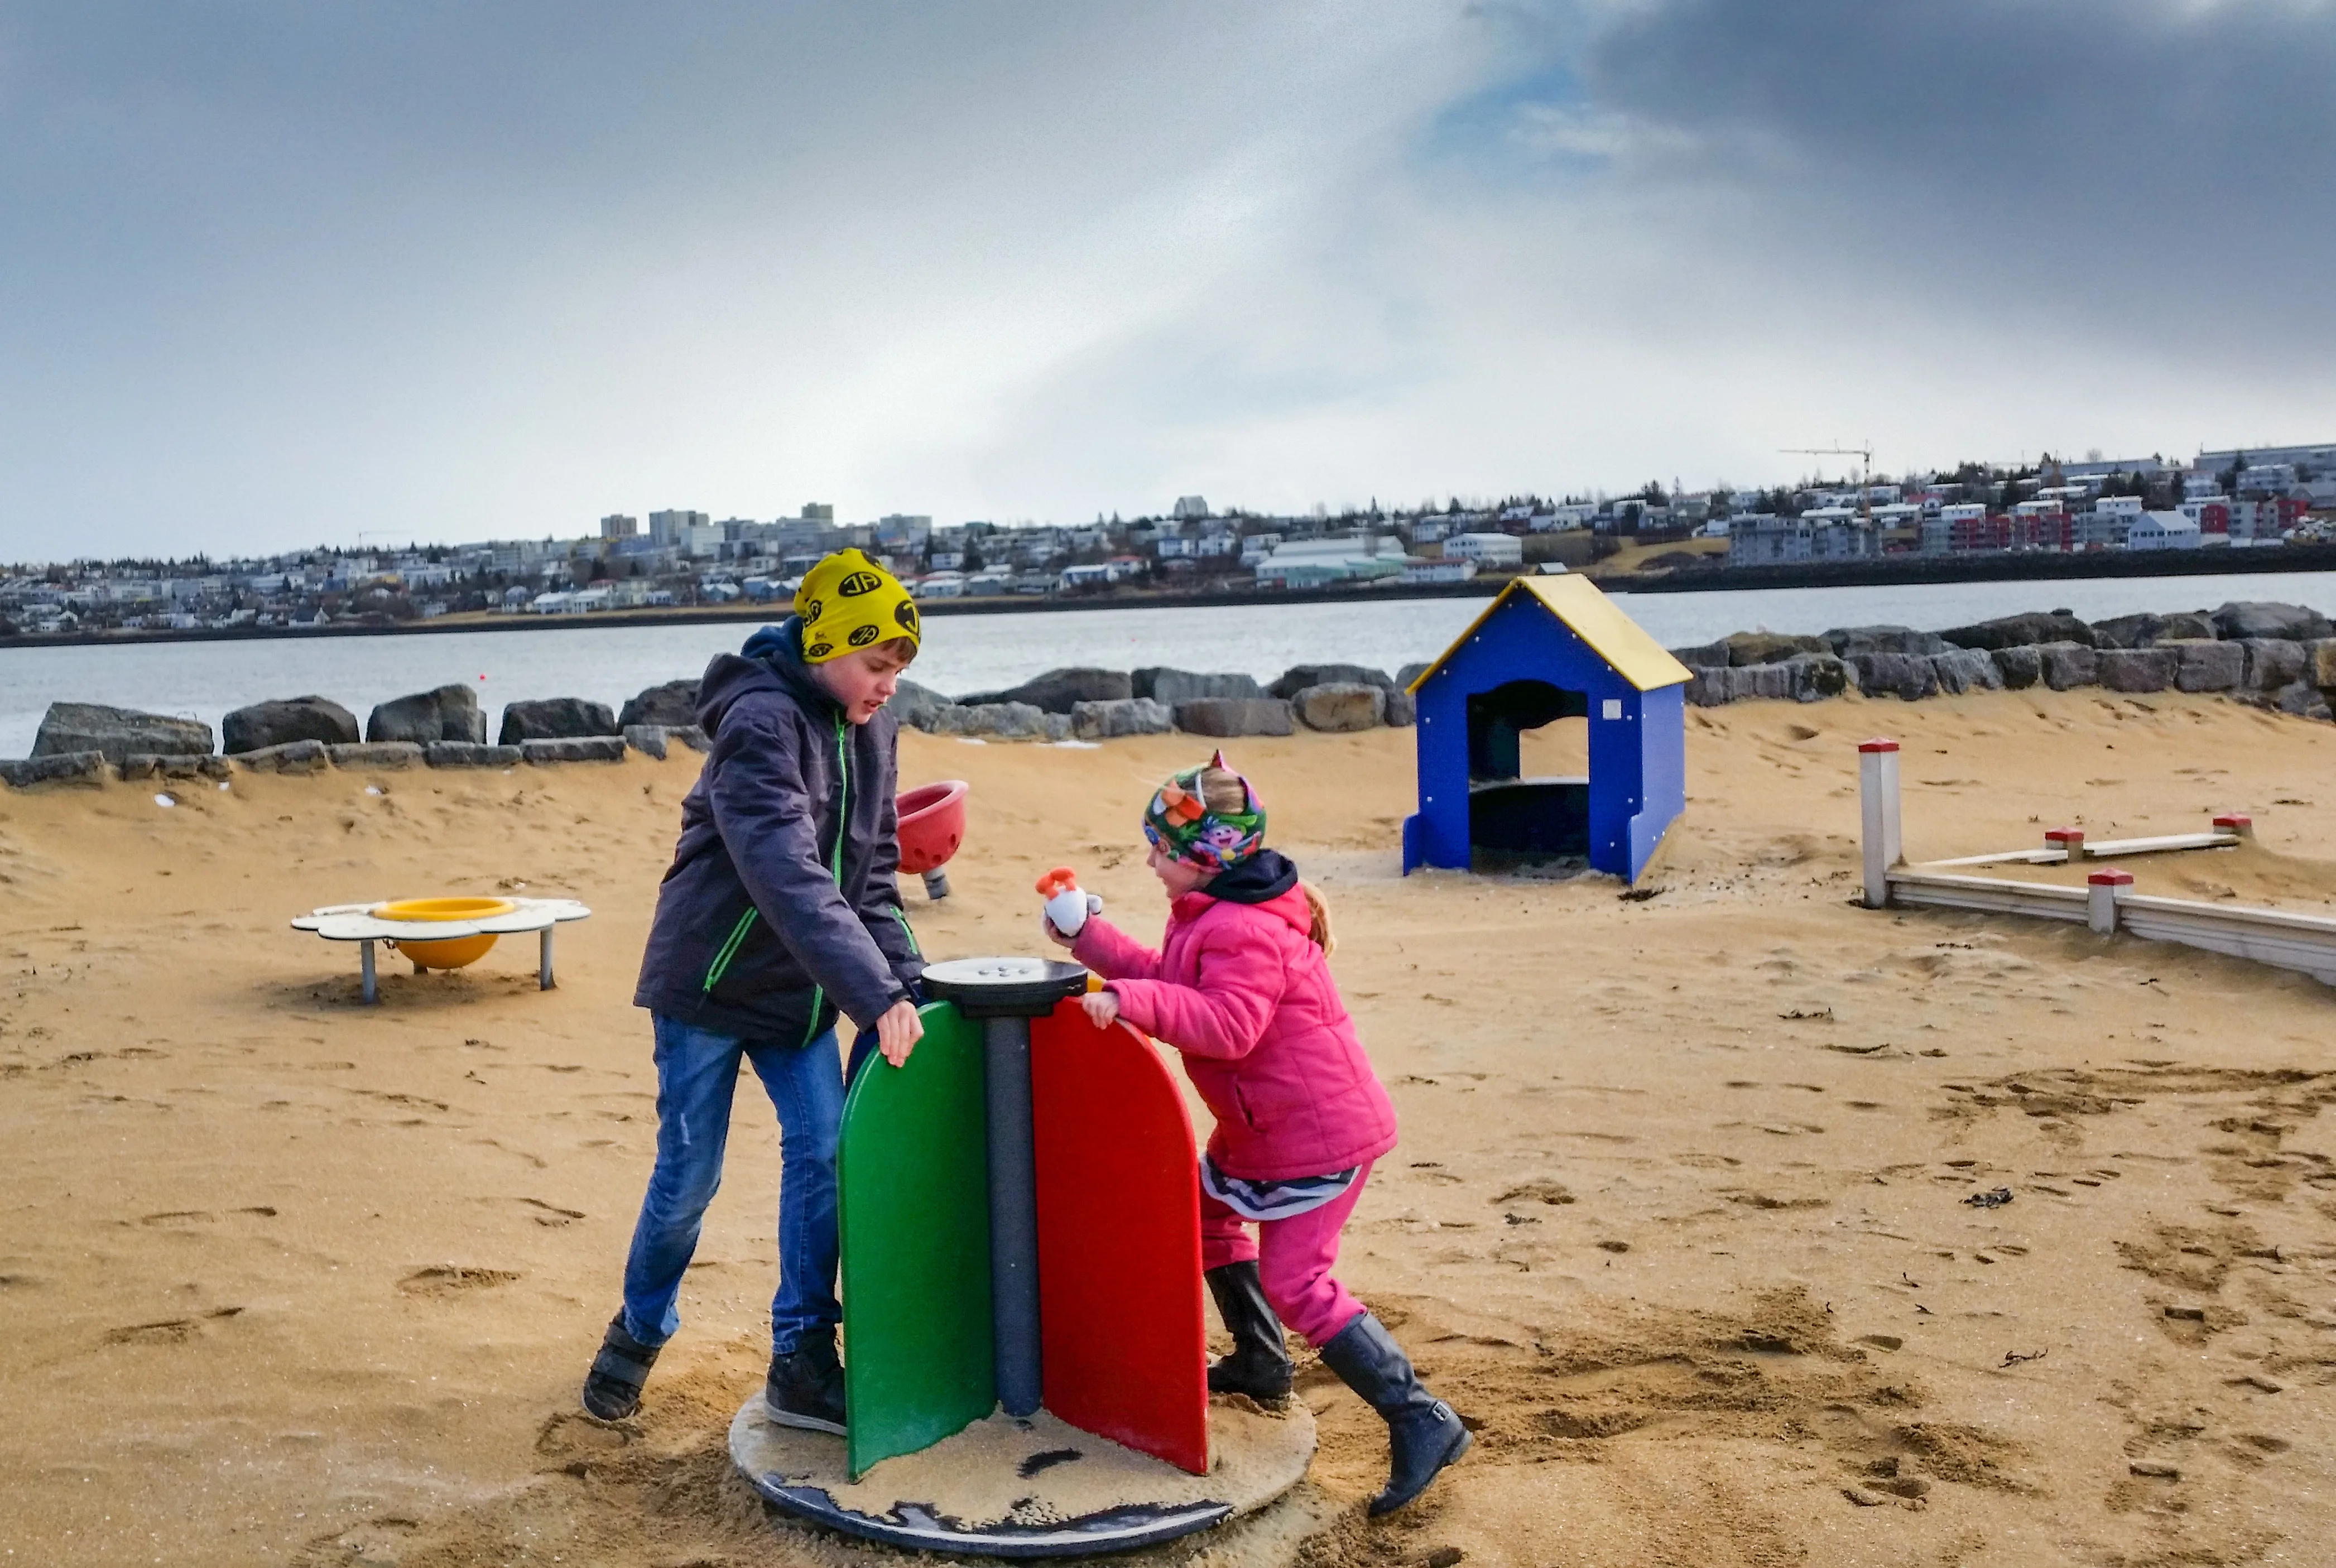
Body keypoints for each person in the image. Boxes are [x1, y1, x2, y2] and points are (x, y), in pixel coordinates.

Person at [1044, 754, 1472, 1515]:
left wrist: (1131, 1000)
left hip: (1313, 1135)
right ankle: (1261, 1359)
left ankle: (1420, 1416)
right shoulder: (1211, 916)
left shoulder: (1240, 927)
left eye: (1162, 849)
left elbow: (1228, 1026)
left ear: (1205, 857)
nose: (1148, 860)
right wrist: (1091, 939)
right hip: (1261, 1130)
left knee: (1298, 1283)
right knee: (1205, 1213)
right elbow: (1173, 978)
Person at [581, 549, 929, 1432]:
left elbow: (872, 876)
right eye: (875, 665)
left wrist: (910, 989)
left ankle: (802, 1358)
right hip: (707, 981)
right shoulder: (760, 723)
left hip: (799, 992)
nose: (887, 686)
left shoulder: (873, 728)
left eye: (897, 671)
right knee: (690, 1173)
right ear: (822, 644)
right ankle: (638, 1329)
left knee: (821, 1154)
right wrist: (869, 992)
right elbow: (786, 867)